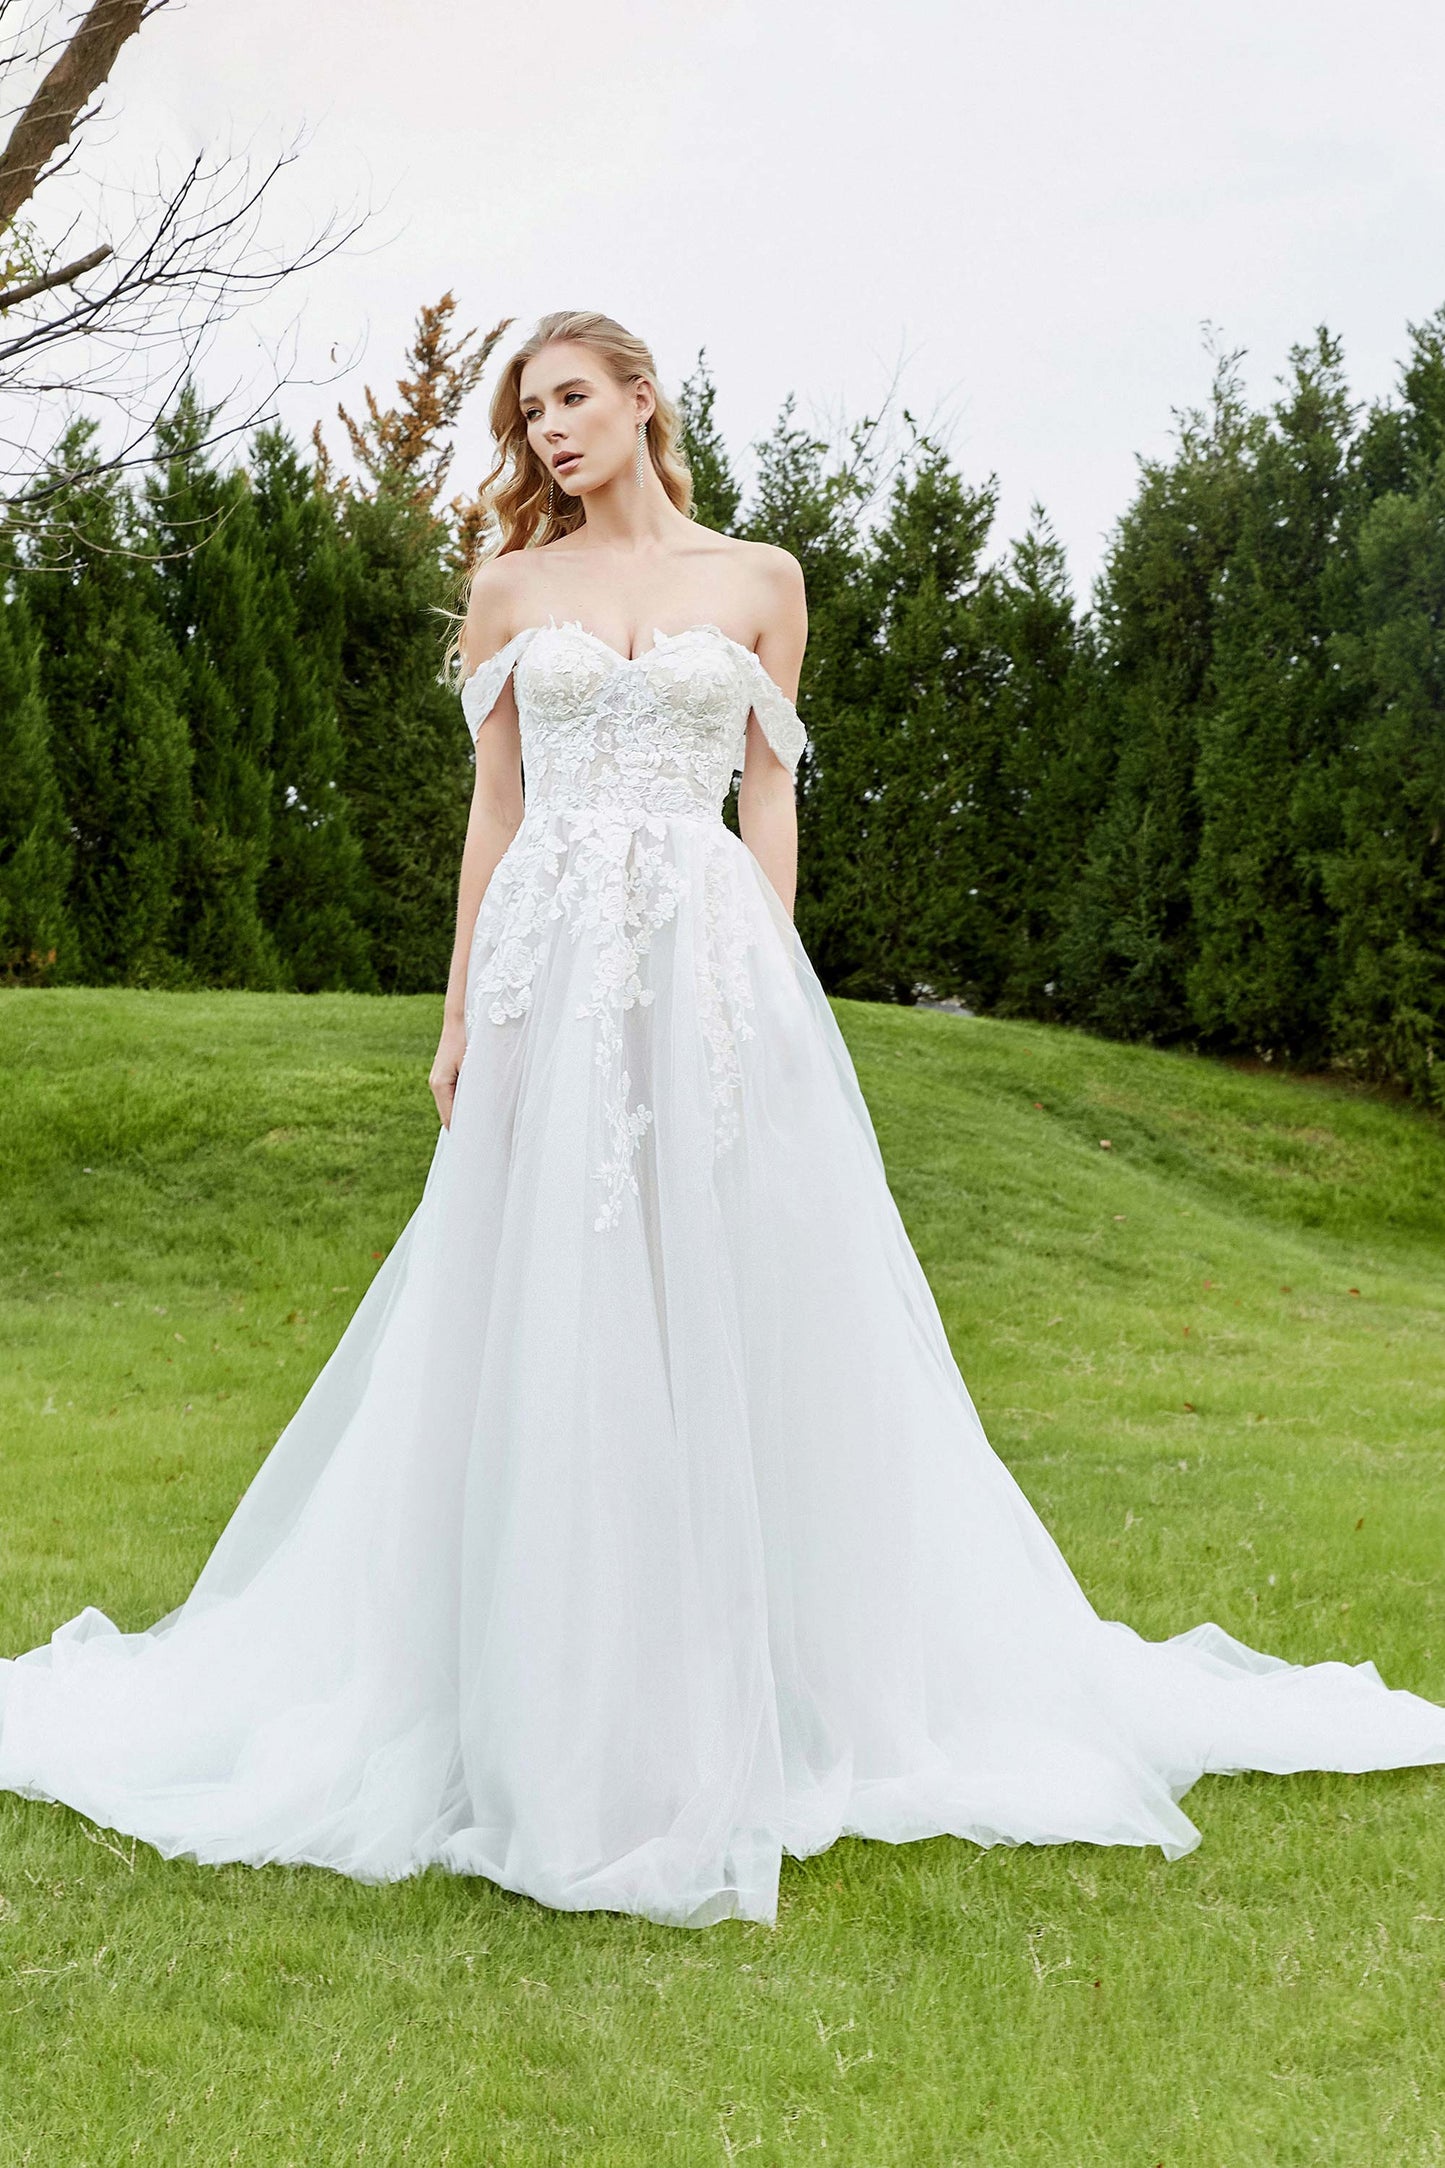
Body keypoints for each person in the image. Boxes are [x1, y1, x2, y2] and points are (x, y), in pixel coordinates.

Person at [2, 310, 1442, 1931]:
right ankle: (531, 1678)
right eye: (527, 414)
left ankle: (764, 1675)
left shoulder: (761, 580)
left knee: (732, 1287)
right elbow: (496, 806)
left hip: (705, 958)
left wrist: (767, 986)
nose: (548, 432)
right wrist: (461, 1012)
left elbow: (767, 792)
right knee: (544, 1288)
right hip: (551, 961)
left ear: (641, 400)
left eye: (570, 399)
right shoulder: (507, 589)